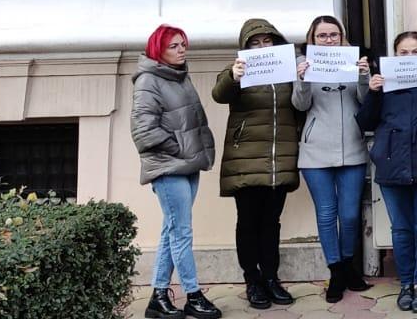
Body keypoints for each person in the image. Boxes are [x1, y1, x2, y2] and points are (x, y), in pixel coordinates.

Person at [357, 31, 417, 313]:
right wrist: (372, 92)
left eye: (415, 52)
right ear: (394, 55)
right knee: (400, 229)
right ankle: (405, 284)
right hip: (392, 164)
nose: (409, 57)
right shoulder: (384, 85)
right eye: (403, 53)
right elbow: (364, 121)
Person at [133, 25, 222, 319]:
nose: (182, 49)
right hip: (169, 166)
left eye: (183, 44)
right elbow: (144, 132)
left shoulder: (178, 76)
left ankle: (158, 296)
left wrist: (192, 151)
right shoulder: (148, 80)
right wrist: (179, 148)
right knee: (181, 232)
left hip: (187, 164)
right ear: (158, 49)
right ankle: (193, 296)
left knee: (172, 231)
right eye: (174, 46)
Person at [213, 19, 301, 310]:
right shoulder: (239, 69)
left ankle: (272, 278)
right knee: (248, 223)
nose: (262, 47)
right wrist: (233, 75)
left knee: (271, 223)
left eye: (267, 41)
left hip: (279, 159)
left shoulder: (287, 71)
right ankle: (252, 279)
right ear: (246, 47)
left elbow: (300, 106)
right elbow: (219, 94)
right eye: (255, 42)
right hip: (245, 161)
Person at [290, 16, 373, 303]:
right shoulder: (305, 64)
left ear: (342, 36)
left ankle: (349, 265)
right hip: (316, 151)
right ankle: (335, 271)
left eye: (333, 35)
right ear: (312, 38)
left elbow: (365, 102)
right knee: (326, 214)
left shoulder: (352, 61)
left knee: (349, 215)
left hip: (352, 146)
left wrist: (364, 75)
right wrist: (301, 79)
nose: (328, 40)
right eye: (322, 35)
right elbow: (300, 105)